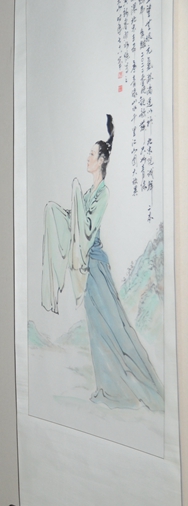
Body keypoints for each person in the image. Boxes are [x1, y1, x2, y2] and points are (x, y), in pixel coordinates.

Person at [41, 114, 164, 411]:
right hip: (88, 268)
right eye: (89, 154)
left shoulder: (103, 193)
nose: (88, 158)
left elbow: (87, 228)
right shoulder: (88, 193)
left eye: (92, 154)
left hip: (96, 265)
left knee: (115, 326)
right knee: (97, 328)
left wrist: (75, 201)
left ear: (102, 160)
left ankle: (141, 386)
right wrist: (60, 211)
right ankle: (110, 388)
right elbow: (75, 224)